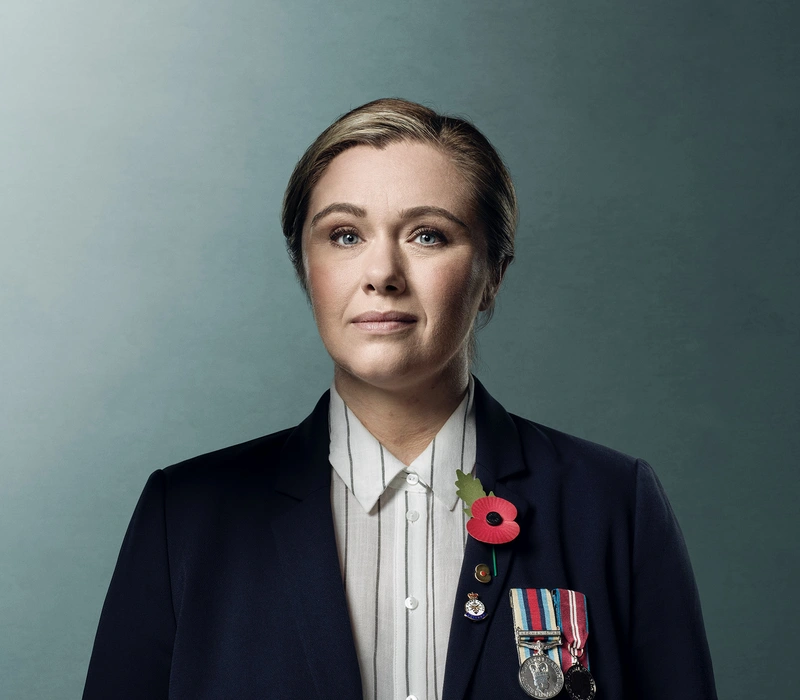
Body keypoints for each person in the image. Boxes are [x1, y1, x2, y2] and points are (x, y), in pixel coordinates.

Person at [83, 98, 717, 700]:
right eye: (344, 235)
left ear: (492, 272)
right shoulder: (186, 517)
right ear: (306, 266)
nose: (381, 273)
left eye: (428, 236)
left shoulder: (611, 505)